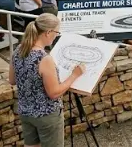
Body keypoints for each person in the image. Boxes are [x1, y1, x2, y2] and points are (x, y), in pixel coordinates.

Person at [9, 14, 85, 147]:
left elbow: (12, 80)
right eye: (57, 32)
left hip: (26, 112)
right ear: (48, 32)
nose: (57, 35)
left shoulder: (18, 50)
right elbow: (54, 93)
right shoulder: (44, 59)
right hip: (47, 115)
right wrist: (74, 75)